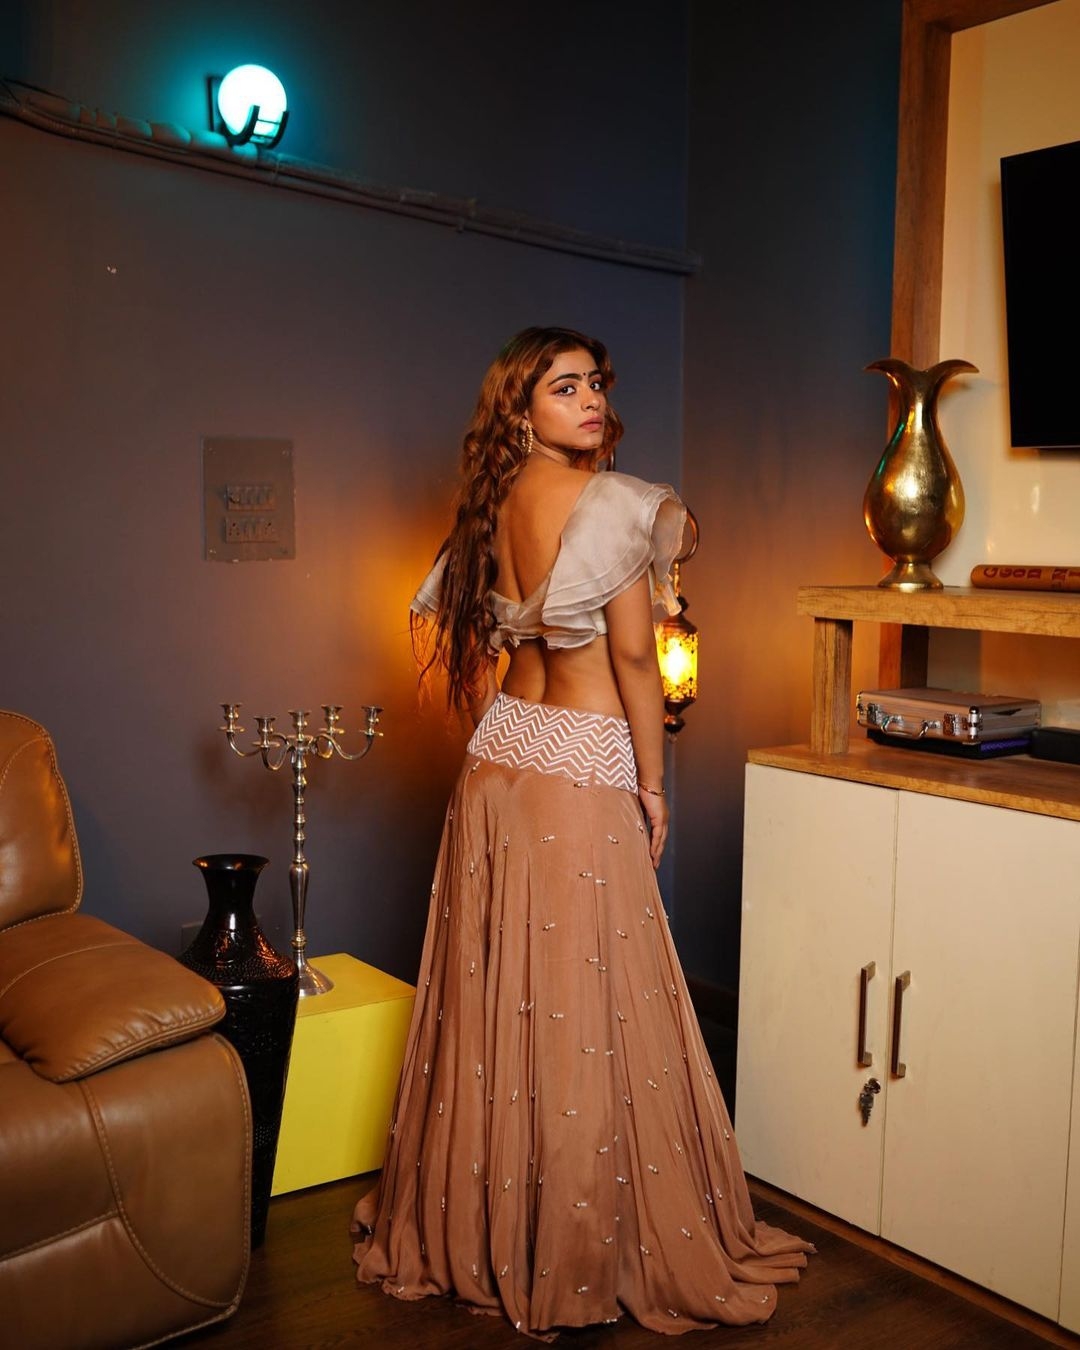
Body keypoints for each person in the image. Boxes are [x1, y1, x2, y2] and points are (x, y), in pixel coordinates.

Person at [352, 327, 812, 1337]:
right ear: (520, 410)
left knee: (498, 996)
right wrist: (654, 783)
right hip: (580, 764)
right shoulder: (613, 504)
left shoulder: (489, 508)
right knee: (582, 1003)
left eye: (595, 382)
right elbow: (639, 661)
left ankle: (489, 1228)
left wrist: (513, 733)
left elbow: (476, 644)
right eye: (564, 388)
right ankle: (567, 1248)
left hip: (501, 758)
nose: (592, 399)